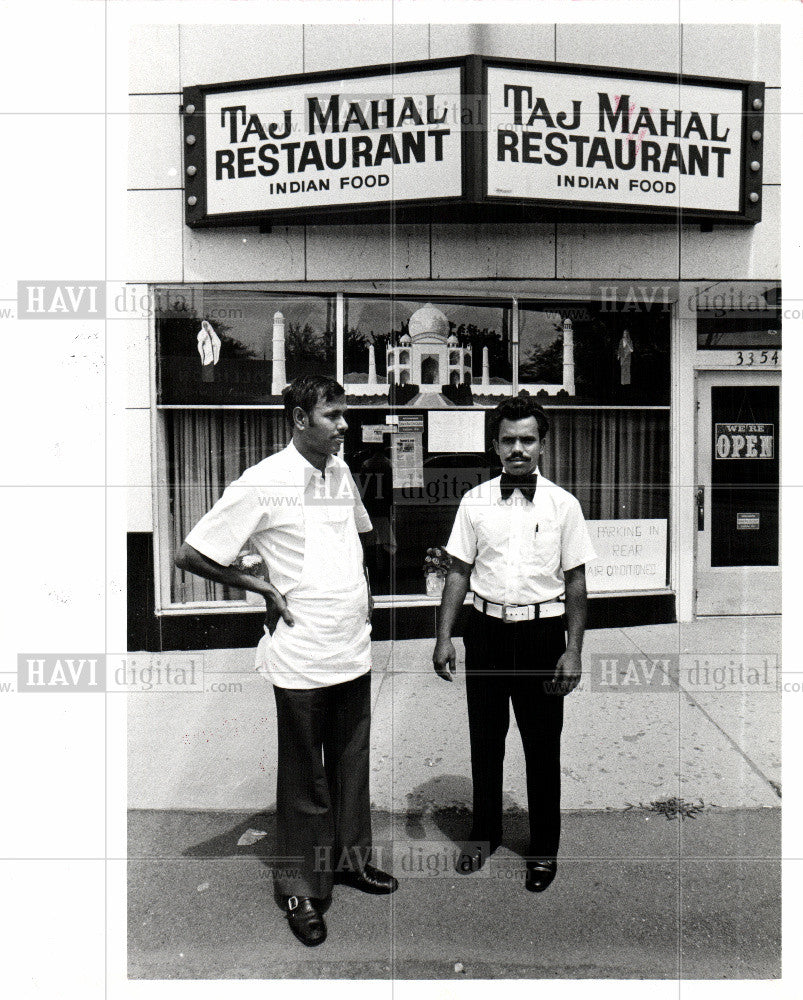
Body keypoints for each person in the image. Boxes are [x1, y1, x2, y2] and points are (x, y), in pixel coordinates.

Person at [175, 375, 397, 948]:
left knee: (352, 763)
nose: (344, 425)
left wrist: (364, 600)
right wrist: (258, 585)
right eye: (333, 416)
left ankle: (348, 859)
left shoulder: (340, 471)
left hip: (351, 646)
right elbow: (190, 553)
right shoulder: (262, 481)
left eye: (344, 414)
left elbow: (357, 537)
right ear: (300, 419)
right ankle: (299, 886)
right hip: (301, 652)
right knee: (305, 775)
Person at [432, 396, 596, 893]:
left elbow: (576, 581)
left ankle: (542, 850)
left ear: (542, 445)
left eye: (527, 439)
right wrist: (444, 636)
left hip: (543, 637)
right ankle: (484, 835)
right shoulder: (474, 501)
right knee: (486, 740)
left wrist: (573, 649)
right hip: (486, 633)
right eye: (508, 440)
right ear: (495, 445)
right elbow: (458, 570)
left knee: (542, 747)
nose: (518, 449)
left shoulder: (564, 505)